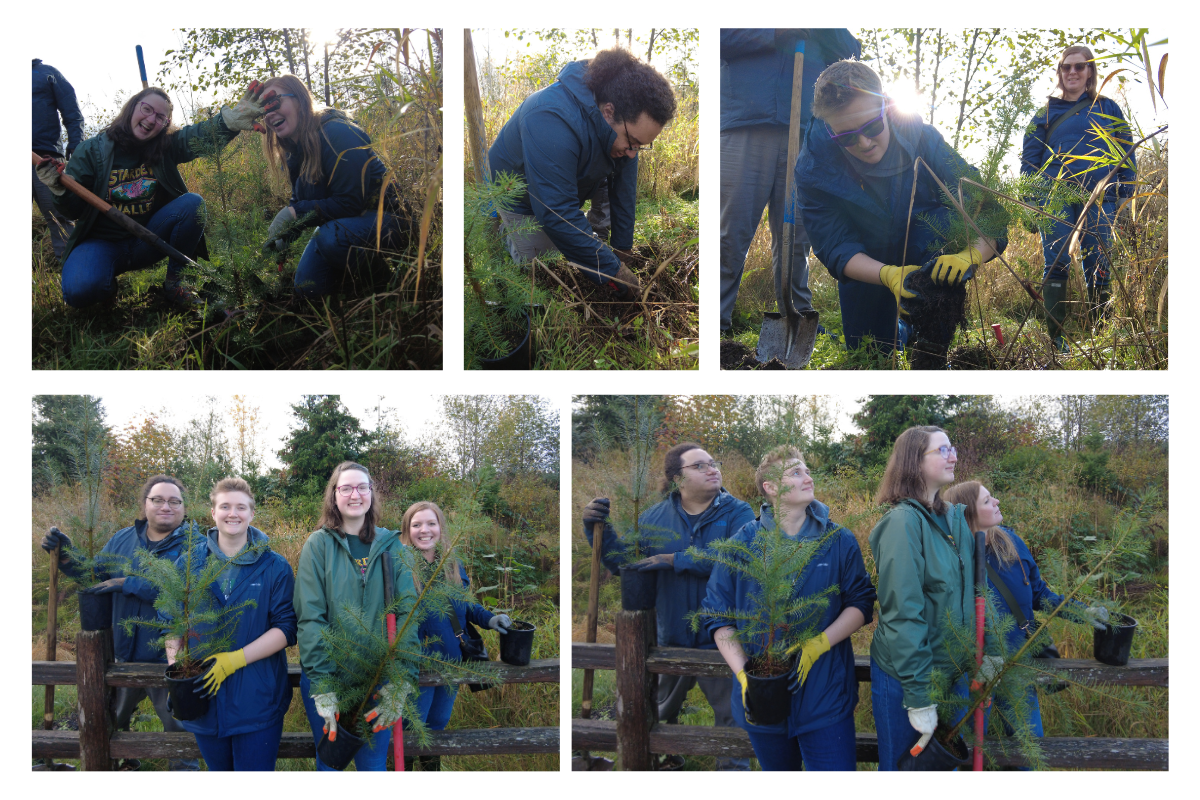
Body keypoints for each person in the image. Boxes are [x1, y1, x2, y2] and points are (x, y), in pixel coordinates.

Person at [795, 60, 1008, 351]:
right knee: (870, 351)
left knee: (942, 228)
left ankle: (932, 344)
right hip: (866, 259)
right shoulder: (813, 169)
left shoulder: (921, 137)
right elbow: (835, 247)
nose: (864, 143)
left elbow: (989, 212)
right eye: (846, 137)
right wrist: (889, 274)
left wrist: (970, 255)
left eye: (871, 125)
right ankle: (901, 332)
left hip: (923, 242)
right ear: (829, 129)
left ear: (885, 106)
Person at [583, 442, 756, 770]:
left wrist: (674, 559)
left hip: (723, 638)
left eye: (713, 462)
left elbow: (736, 559)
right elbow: (625, 564)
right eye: (700, 466)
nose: (713, 469)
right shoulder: (654, 517)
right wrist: (598, 532)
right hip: (671, 636)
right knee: (657, 712)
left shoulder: (738, 512)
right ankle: (664, 761)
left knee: (735, 716)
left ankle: (733, 772)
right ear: (678, 479)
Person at [702, 446, 875, 770]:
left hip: (826, 700)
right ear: (770, 488)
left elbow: (862, 603)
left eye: (807, 470)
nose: (808, 477)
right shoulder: (742, 544)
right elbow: (718, 616)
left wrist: (818, 644)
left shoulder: (838, 540)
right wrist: (744, 676)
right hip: (762, 704)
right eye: (796, 472)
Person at [35, 84, 278, 309]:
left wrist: (229, 122)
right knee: (80, 290)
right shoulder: (92, 151)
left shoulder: (166, 147)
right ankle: (104, 286)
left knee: (193, 204)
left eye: (161, 117)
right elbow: (72, 211)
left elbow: (198, 136)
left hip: (148, 240)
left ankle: (176, 284)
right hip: (101, 244)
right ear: (132, 108)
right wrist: (59, 189)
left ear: (166, 124)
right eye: (147, 109)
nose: (151, 120)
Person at [488, 47, 677, 301]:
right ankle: (504, 232)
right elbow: (556, 210)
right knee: (545, 269)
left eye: (641, 146)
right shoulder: (549, 116)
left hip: (575, 169)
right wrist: (612, 271)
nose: (634, 153)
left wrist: (622, 252)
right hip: (518, 190)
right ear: (608, 112)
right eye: (633, 142)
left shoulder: (626, 132)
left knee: (578, 245)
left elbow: (624, 191)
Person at [40, 475, 199, 771]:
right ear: (144, 504)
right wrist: (65, 557)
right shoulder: (122, 539)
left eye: (174, 501)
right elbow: (93, 575)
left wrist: (128, 583)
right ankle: (123, 766)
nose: (166, 506)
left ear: (183, 507)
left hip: (172, 658)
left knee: (179, 728)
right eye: (158, 500)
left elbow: (184, 589)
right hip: (123, 656)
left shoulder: (196, 545)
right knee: (114, 719)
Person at [867, 426, 995, 770]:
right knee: (905, 771)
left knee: (942, 771)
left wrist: (990, 651)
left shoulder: (953, 519)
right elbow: (903, 613)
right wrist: (919, 696)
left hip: (952, 673)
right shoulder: (902, 523)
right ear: (913, 462)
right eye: (942, 450)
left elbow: (976, 594)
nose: (953, 455)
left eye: (952, 448)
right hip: (907, 680)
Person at [943, 481, 1110, 745]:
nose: (996, 501)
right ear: (968, 514)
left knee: (1027, 750)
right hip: (972, 675)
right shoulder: (952, 558)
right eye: (987, 501)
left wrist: (1085, 613)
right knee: (965, 750)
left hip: (1018, 666)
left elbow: (1039, 595)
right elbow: (947, 618)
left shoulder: (1011, 542)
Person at [719, 29, 861, 334]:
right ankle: (717, 318)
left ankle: (796, 313)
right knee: (732, 230)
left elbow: (850, 53)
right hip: (745, 121)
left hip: (805, 131)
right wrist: (775, 30)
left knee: (796, 235)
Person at [294, 462, 420, 771]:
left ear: (372, 494)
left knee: (373, 765)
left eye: (362, 487)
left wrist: (399, 679)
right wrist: (323, 684)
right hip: (330, 679)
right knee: (330, 767)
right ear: (334, 496)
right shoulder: (318, 546)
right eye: (346, 487)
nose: (355, 494)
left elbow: (407, 614)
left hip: (377, 681)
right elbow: (311, 617)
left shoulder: (393, 546)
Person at [164, 478, 296, 771]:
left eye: (240, 507)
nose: (232, 513)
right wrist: (177, 673)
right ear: (213, 513)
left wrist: (236, 660)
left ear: (252, 513)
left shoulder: (274, 567)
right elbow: (173, 624)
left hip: (257, 699)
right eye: (224, 506)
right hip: (204, 700)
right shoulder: (189, 565)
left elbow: (286, 628)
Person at [1020, 45, 1136, 348]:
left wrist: (1126, 195)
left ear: (1090, 71)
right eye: (1066, 67)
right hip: (1055, 199)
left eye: (1079, 66)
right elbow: (1029, 161)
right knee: (1056, 262)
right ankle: (1057, 338)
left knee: (1099, 261)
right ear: (1059, 72)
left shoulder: (1108, 107)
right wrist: (1031, 203)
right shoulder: (1044, 112)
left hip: (1100, 198)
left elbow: (1127, 152)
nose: (1072, 72)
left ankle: (1102, 335)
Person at [258, 75, 414, 299]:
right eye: (264, 109)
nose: (269, 112)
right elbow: (300, 200)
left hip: (391, 220)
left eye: (274, 102)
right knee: (306, 287)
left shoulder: (338, 133)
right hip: (344, 226)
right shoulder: (294, 151)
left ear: (300, 100)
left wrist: (294, 213)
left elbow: (351, 203)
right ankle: (350, 285)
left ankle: (387, 287)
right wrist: (284, 235)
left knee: (330, 239)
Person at [398, 501, 513, 771]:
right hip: (418, 667)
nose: (424, 530)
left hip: (452, 664)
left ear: (441, 528)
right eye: (416, 525)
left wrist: (490, 619)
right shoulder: (400, 566)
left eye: (431, 523)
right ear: (407, 530)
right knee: (411, 728)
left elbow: (464, 606)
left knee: (437, 726)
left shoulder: (452, 564)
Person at [32, 58, 84, 260]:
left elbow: (72, 111)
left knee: (59, 216)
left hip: (45, 158)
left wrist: (76, 144)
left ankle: (72, 266)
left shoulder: (47, 74)